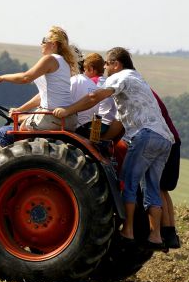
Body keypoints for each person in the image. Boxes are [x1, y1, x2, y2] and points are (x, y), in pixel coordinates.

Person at [53, 47, 174, 250]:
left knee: (127, 182)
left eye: (107, 64)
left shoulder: (119, 77)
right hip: (164, 138)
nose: (105, 68)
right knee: (152, 186)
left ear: (116, 64)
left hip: (144, 135)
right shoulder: (138, 79)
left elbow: (94, 98)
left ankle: (127, 231)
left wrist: (68, 110)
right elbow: (120, 117)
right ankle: (156, 236)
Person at [0, 26, 78, 148]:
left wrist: (1, 77)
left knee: (3, 133)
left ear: (54, 44)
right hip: (65, 118)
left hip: (52, 117)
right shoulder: (64, 63)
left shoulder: (50, 59)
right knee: (17, 124)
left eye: (44, 40)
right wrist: (20, 109)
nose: (41, 43)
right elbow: (43, 95)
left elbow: (25, 78)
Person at [152, 90, 182, 249]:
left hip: (163, 141)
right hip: (172, 140)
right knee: (163, 189)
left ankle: (164, 232)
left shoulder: (133, 92)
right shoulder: (147, 91)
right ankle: (171, 232)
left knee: (156, 188)